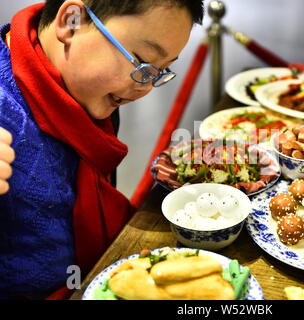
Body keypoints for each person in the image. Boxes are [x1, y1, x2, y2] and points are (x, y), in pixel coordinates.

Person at [0, 0, 204, 299]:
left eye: (160, 71)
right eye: (142, 61)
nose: (146, 87)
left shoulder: (91, 93)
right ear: (71, 21)